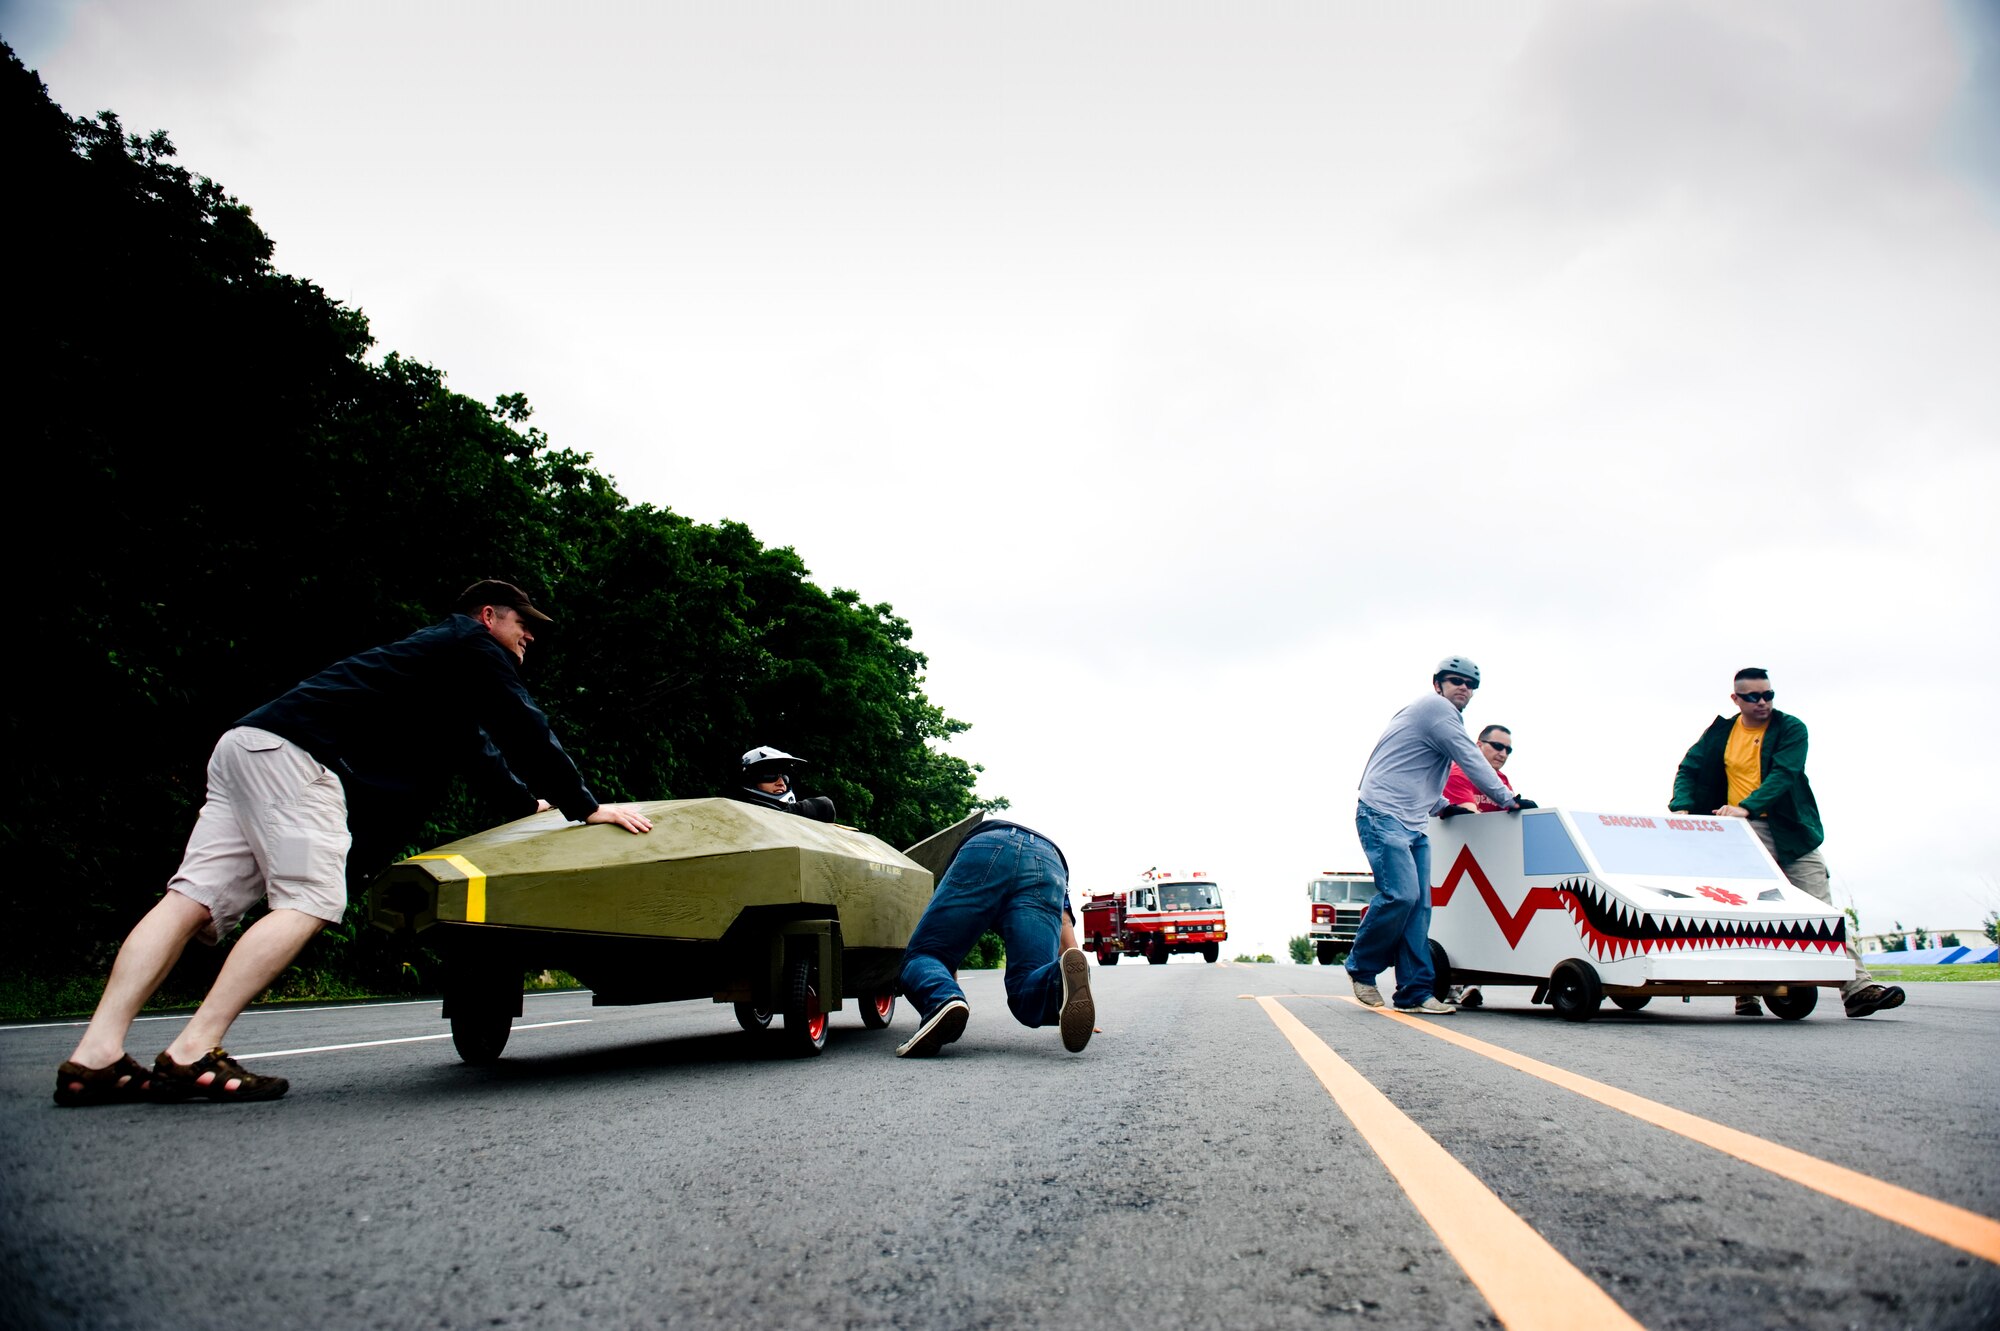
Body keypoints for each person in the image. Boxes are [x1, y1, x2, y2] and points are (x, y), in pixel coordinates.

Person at [55, 579, 654, 1106]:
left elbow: (476, 749)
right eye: (524, 625)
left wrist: (528, 805)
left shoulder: (435, 665)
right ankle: (193, 1051)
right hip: (294, 756)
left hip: (245, 743)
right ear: (488, 616)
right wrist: (588, 807)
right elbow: (527, 727)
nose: (530, 640)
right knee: (311, 901)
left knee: (189, 900)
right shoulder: (470, 645)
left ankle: (97, 1055)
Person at [1669, 667, 1903, 1019]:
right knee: (1743, 913)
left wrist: (1746, 807)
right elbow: (1689, 767)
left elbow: (1784, 773)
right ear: (1736, 699)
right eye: (1753, 697)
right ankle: (1746, 994)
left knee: (1822, 911)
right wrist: (1683, 806)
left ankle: (1857, 990)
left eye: (1768, 695)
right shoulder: (1720, 733)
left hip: (1790, 831)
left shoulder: (1790, 728)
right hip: (1738, 837)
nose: (1762, 702)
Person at [1347, 657, 1526, 1015]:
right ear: (1438, 684)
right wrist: (1507, 799)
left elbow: (1415, 770)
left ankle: (1414, 992)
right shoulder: (1435, 709)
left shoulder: (1441, 719)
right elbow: (1471, 759)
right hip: (1382, 814)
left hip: (1414, 821)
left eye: (1470, 684)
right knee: (1401, 894)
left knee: (1420, 907)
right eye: (1455, 680)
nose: (1463, 687)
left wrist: (1443, 806)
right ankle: (1361, 968)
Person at [894, 821, 1095, 1058]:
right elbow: (1065, 928)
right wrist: (1076, 994)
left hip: (986, 847)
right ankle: (1055, 986)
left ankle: (941, 998)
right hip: (1049, 860)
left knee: (925, 954)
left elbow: (946, 951)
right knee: (1026, 985)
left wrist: (946, 990)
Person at [729, 746, 837, 822]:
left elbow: (826, 806)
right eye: (771, 776)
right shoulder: (735, 816)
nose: (781, 783)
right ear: (751, 781)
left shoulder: (793, 820)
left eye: (785, 778)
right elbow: (824, 805)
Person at [1442, 725, 1517, 814]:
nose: (1503, 754)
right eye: (1497, 746)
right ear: (1478, 746)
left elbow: (1512, 819)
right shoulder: (1457, 773)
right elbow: (1470, 818)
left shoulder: (1502, 779)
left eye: (1508, 750)